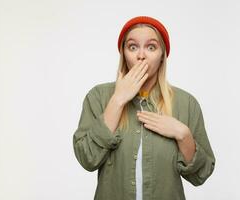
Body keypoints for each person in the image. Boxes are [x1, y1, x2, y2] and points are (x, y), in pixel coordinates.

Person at [73, 16, 216, 200]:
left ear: (162, 56)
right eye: (132, 47)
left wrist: (183, 135)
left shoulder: (186, 103)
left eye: (151, 47)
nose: (141, 55)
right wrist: (117, 100)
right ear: (124, 54)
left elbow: (201, 175)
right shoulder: (99, 97)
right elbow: (87, 159)